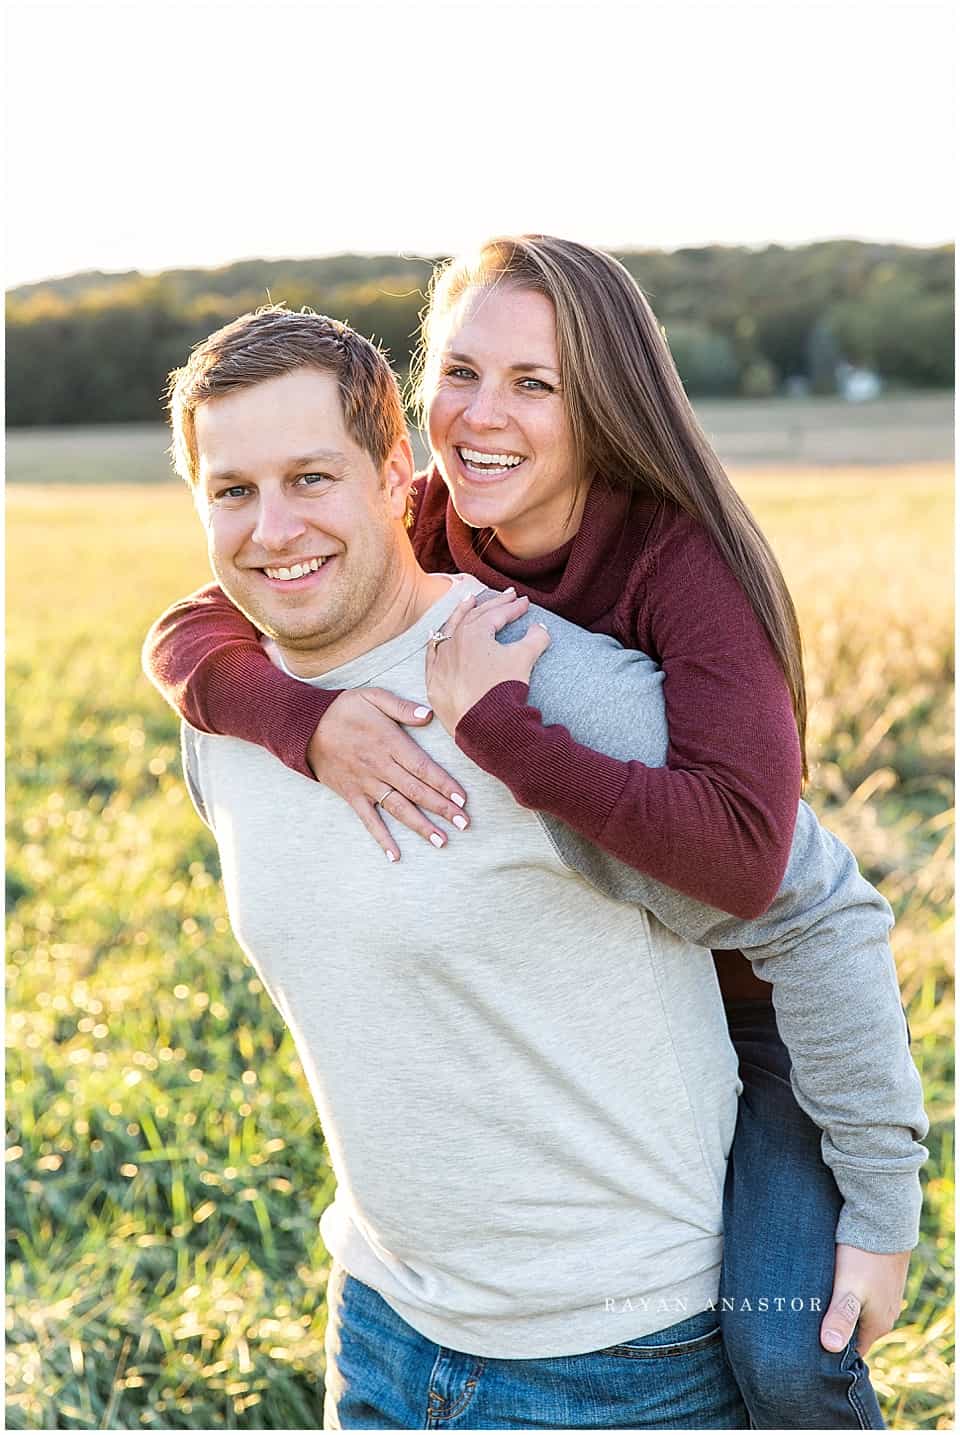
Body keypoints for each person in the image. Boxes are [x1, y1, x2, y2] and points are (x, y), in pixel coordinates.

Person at [146, 283, 926, 1427]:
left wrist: (879, 1207)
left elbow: (807, 901)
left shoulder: (547, 673)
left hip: (619, 1363)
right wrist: (302, 719)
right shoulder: (231, 714)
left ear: (390, 470)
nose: (273, 529)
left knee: (793, 1354)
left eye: (311, 478)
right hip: (381, 1332)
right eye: (233, 491)